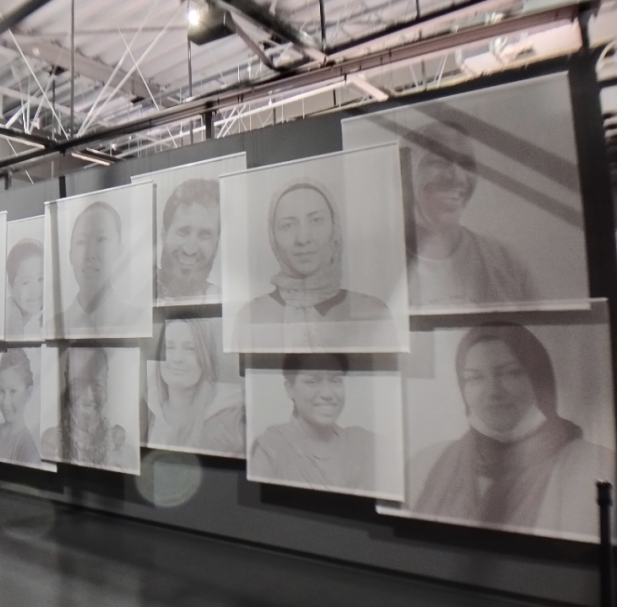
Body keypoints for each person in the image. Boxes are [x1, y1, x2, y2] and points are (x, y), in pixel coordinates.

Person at [409, 323, 613, 536]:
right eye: (475, 378)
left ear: (538, 379)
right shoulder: (428, 462)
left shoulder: (593, 467)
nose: (493, 392)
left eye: (510, 373)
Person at [234, 179, 395, 350]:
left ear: (334, 228)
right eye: (287, 225)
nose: (303, 238)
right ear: (273, 237)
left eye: (316, 220)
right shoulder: (251, 317)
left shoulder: (373, 312)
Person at [405, 121, 532, 308]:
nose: (458, 177)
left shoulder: (506, 264)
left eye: (467, 164)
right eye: (439, 161)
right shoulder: (383, 264)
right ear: (408, 171)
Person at [250, 353, 376, 491]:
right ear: (290, 388)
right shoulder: (273, 447)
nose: (327, 394)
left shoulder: (364, 444)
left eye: (336, 381)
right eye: (312, 381)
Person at [141, 318, 244, 456]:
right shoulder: (148, 406)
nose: (177, 358)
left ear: (205, 357)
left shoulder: (229, 421)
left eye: (189, 349)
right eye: (169, 348)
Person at [52, 202, 143, 336]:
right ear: (70, 255)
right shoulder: (52, 327)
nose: (90, 254)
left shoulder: (140, 322)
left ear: (119, 250)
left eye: (101, 240)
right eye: (81, 242)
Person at [41, 347, 136, 471]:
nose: (88, 397)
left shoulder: (123, 448)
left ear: (106, 385)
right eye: (78, 384)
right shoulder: (49, 444)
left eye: (97, 385)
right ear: (66, 383)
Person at [157, 179, 222, 302]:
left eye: (204, 235)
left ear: (216, 244)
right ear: (164, 234)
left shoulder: (225, 301)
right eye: (183, 232)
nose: (190, 250)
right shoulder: (139, 295)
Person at [0, 349, 41, 465]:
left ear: (28, 393)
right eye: (1, 391)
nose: (5, 402)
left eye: (13, 391)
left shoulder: (28, 448)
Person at [5, 238, 44, 338]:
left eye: (40, 279)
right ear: (11, 288)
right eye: (25, 283)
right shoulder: (10, 315)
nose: (35, 289)